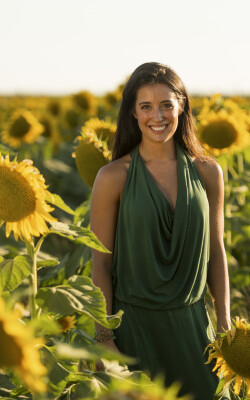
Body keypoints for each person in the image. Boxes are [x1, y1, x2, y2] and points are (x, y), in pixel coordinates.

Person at [90, 62, 231, 400]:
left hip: (195, 329)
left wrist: (224, 322)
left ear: (181, 106)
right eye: (146, 106)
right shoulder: (112, 177)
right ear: (133, 114)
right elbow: (101, 265)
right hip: (134, 332)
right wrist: (103, 337)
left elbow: (216, 252)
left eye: (167, 104)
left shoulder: (209, 172)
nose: (158, 115)